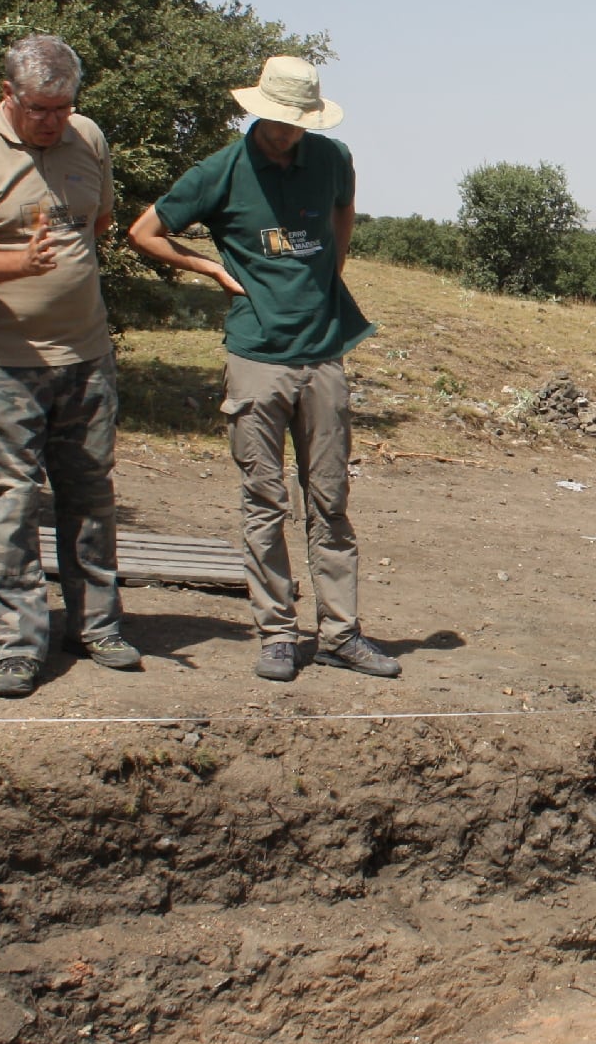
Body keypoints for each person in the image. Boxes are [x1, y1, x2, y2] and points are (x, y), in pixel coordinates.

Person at [128, 56, 398, 683]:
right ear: (258, 111)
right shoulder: (220, 170)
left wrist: (333, 269)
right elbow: (145, 231)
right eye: (279, 121)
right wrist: (213, 271)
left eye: (298, 122)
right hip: (256, 359)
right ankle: (276, 633)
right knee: (264, 501)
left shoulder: (332, 159)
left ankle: (340, 633)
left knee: (330, 502)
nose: (287, 132)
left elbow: (343, 209)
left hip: (323, 354)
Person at [0, 34, 141, 698]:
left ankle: (98, 625)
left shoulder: (89, 139)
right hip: (2, 364)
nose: (53, 120)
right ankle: (20, 645)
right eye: (39, 109)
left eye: (64, 105)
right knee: (11, 503)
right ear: (8, 96)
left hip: (85, 356)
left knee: (89, 494)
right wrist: (22, 265)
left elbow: (99, 221)